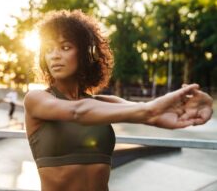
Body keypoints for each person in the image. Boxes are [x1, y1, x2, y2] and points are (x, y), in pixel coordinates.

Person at [23, 10, 213, 191]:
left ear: (85, 54)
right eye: (48, 49)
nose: (55, 55)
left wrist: (188, 107)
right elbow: (77, 111)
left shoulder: (106, 102)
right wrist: (150, 111)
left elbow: (150, 113)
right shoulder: (36, 99)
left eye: (65, 47)